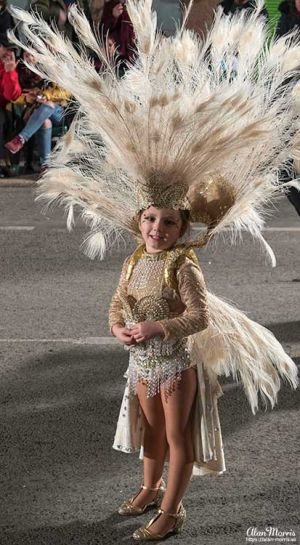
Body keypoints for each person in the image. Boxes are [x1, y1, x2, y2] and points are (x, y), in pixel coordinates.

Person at [11, 2, 299, 541]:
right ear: (139, 220)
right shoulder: (135, 259)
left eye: (168, 223)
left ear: (180, 226)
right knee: (150, 438)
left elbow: (196, 316)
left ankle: (172, 511)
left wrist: (158, 329)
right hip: (140, 362)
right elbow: (119, 300)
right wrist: (119, 326)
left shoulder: (183, 265)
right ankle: (147, 489)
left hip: (173, 364)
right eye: (150, 220)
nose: (156, 230)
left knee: (177, 437)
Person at [5, 52, 71, 170]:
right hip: (37, 114)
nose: (29, 58)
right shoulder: (20, 71)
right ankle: (45, 165)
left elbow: (66, 92)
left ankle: (21, 138)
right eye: (26, 55)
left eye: (32, 55)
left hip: (59, 112)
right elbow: (15, 96)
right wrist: (28, 98)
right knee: (45, 122)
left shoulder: (50, 68)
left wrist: (46, 95)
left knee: (48, 104)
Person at [0, 34, 21, 177]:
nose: (9, 52)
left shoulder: (8, 66)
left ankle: (1, 162)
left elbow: (12, 95)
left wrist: (10, 73)